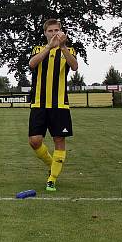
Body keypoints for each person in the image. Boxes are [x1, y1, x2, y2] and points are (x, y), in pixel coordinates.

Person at [27, 19, 78, 192]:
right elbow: (32, 64)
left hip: (60, 105)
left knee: (59, 141)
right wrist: (49, 47)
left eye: (57, 30)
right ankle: (52, 163)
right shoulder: (38, 49)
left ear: (62, 32)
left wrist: (62, 47)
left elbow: (75, 66)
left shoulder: (68, 50)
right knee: (34, 141)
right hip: (39, 104)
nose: (54, 33)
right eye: (50, 30)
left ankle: (52, 179)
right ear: (45, 33)